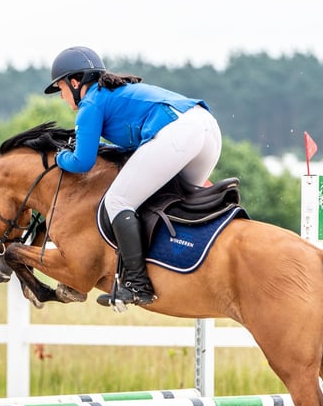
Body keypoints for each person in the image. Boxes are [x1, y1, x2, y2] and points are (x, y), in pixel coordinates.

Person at [45, 46, 222, 307]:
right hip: (207, 129)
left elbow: (82, 162)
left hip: (180, 132)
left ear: (75, 82)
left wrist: (57, 157)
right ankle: (186, 266)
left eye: (60, 88)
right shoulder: (111, 95)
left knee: (117, 201)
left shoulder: (91, 102)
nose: (61, 96)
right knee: (168, 200)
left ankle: (137, 285)